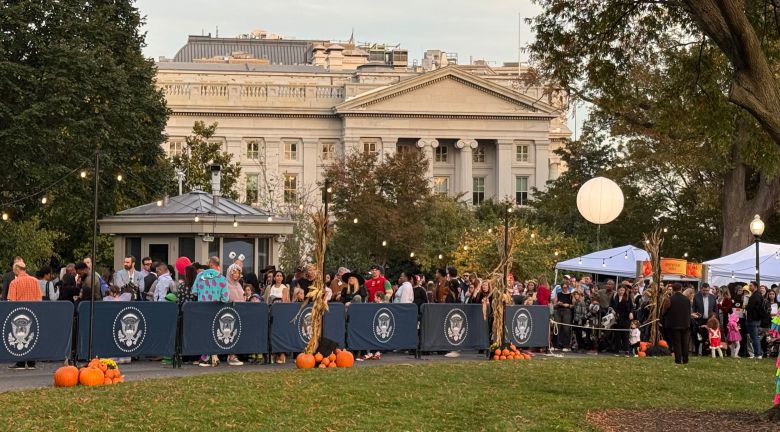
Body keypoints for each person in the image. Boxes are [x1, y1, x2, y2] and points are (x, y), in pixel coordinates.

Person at [7, 261, 40, 369]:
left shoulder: (14, 283)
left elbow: (11, 302)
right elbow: (39, 299)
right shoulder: (35, 281)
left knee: (19, 337)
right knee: (31, 337)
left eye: (13, 270)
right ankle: (32, 363)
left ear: (17, 269)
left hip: (19, 315)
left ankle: (20, 362)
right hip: (33, 314)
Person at [663, 282, 692, 365]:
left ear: (673, 290)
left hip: (674, 324)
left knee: (677, 343)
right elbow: (689, 311)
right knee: (685, 342)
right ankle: (685, 359)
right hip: (685, 324)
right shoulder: (687, 299)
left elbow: (664, 311)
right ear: (681, 289)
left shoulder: (670, 299)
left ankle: (678, 360)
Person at [692, 284, 717, 356]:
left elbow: (715, 309)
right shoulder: (696, 297)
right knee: (698, 336)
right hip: (699, 321)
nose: (706, 292)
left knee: (708, 337)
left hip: (709, 321)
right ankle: (696, 352)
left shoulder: (712, 297)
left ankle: (705, 352)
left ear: (709, 290)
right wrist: (695, 315)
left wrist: (714, 318)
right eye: (704, 290)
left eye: (707, 290)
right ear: (701, 289)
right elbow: (693, 308)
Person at [611, 284, 633, 354]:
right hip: (617, 318)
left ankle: (626, 349)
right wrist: (612, 310)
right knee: (617, 334)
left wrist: (631, 313)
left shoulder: (628, 297)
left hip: (626, 318)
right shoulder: (614, 297)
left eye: (623, 290)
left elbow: (631, 307)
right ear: (618, 290)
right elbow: (610, 306)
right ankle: (616, 349)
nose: (621, 292)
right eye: (620, 290)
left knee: (625, 334)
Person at [745, 281, 765, 359]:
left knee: (754, 337)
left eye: (751, 286)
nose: (750, 287)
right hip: (755, 319)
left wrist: (746, 307)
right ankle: (758, 353)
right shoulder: (757, 295)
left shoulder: (755, 296)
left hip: (753, 319)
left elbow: (750, 307)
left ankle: (759, 354)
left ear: (755, 287)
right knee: (754, 337)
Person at [553, 281, 573, 352]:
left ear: (568, 287)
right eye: (563, 287)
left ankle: (566, 346)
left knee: (566, 328)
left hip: (567, 311)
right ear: (561, 287)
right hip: (558, 311)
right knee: (557, 328)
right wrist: (558, 303)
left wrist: (568, 305)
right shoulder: (558, 294)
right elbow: (554, 305)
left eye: (566, 287)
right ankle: (556, 345)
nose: (564, 288)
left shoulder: (571, 295)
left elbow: (573, 305)